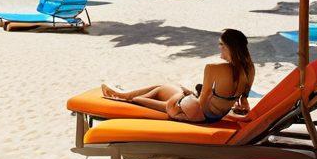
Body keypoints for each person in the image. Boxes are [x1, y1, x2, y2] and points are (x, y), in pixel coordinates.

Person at [102, 28, 255, 124]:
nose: (219, 47)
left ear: (228, 47)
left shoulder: (213, 68)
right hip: (213, 116)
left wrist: (189, 95)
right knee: (165, 87)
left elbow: (202, 103)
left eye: (221, 44)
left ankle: (123, 97)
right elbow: (244, 101)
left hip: (186, 111)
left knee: (152, 92)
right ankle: (121, 94)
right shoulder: (249, 68)